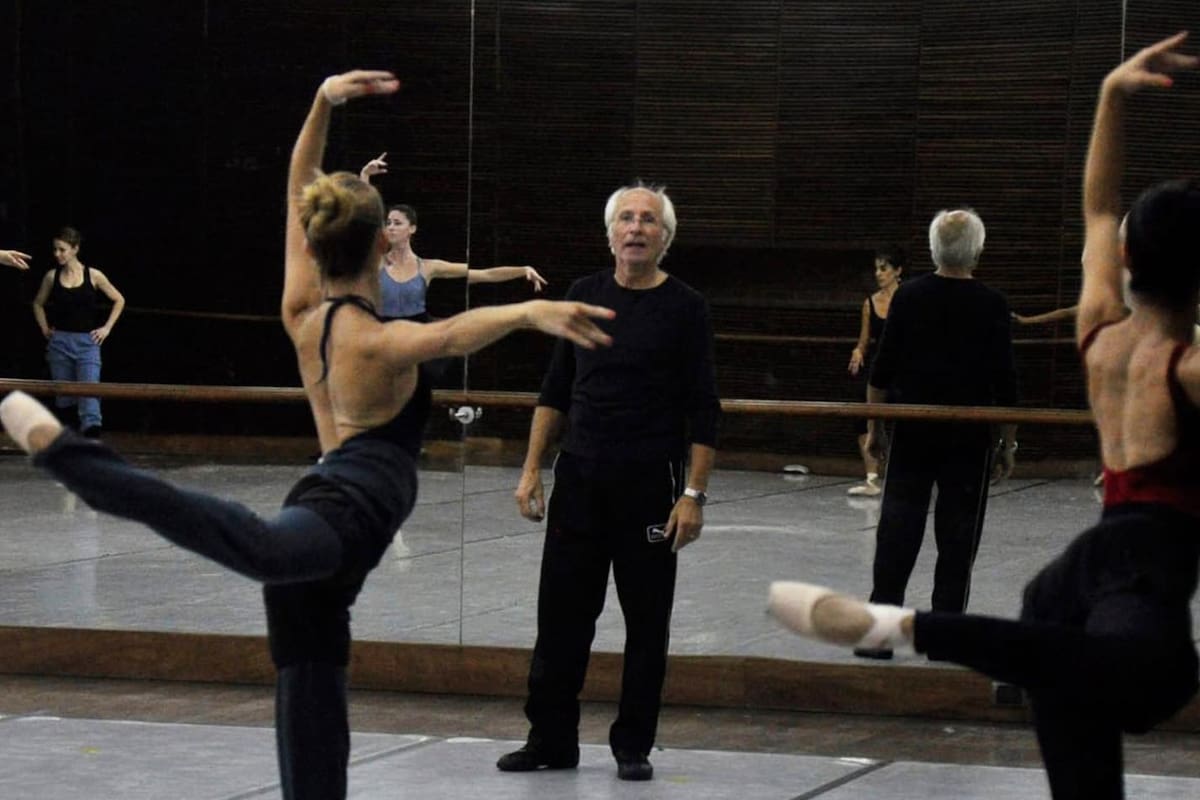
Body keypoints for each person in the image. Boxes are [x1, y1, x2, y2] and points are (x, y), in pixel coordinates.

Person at [0, 69, 614, 800]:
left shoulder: (302, 309)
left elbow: (299, 185)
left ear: (320, 247)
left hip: (331, 485)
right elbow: (449, 332)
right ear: (371, 253)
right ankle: (72, 459)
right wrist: (525, 314)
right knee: (278, 578)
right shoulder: (372, 339)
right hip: (357, 501)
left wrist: (321, 102)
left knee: (305, 640)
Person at [768, 32, 1200, 800]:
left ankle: (912, 627)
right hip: (1148, 564)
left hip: (1081, 569)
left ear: (1129, 260)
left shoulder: (1101, 330)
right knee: (1151, 683)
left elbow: (1099, 207)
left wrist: (1110, 96)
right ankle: (908, 628)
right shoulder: (1189, 363)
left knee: (1062, 674)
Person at [498, 182, 721, 782]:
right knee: (561, 618)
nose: (637, 228)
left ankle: (633, 744)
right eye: (626, 218)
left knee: (646, 623)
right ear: (610, 233)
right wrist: (530, 470)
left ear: (665, 237)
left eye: (649, 220)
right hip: (580, 482)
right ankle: (550, 738)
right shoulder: (583, 295)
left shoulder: (686, 307)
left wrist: (693, 495)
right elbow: (555, 391)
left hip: (650, 486)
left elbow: (704, 407)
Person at [854, 207, 1018, 659]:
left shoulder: (908, 298)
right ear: (978, 252)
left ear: (932, 250)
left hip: (913, 429)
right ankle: (945, 635)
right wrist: (1007, 442)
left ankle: (880, 632)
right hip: (969, 437)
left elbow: (881, 372)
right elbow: (1006, 385)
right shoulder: (993, 304)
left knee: (897, 530)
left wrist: (875, 428)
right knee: (958, 536)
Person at [359, 153, 548, 319]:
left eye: (397, 223)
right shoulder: (378, 262)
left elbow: (485, 274)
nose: (391, 228)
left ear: (412, 229)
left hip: (416, 338)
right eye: (389, 223)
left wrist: (523, 270)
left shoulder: (428, 267)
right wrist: (365, 175)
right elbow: (364, 218)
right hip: (382, 337)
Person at [31, 228, 125, 437]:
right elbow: (38, 303)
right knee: (64, 398)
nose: (57, 254)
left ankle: (92, 446)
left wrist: (107, 328)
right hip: (60, 343)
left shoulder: (94, 275)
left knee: (89, 395)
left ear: (75, 249)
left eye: (62, 249)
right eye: (55, 249)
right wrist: (45, 328)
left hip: (87, 343)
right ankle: (71, 446)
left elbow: (119, 299)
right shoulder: (51, 276)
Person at [846, 249, 904, 496]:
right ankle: (872, 478)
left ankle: (901, 474)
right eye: (877, 269)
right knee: (864, 415)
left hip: (904, 368)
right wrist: (858, 351)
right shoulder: (869, 303)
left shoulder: (908, 298)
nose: (879, 274)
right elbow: (864, 340)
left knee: (903, 419)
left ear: (898, 271)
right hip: (878, 368)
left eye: (884, 268)